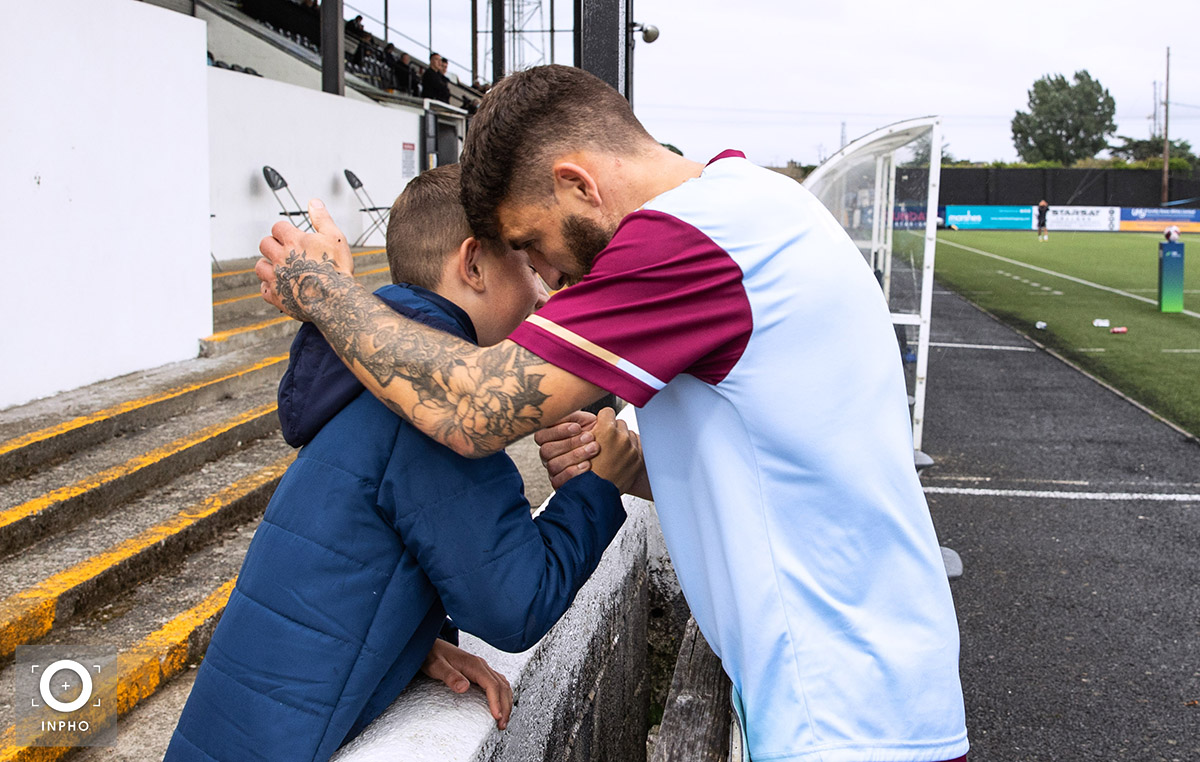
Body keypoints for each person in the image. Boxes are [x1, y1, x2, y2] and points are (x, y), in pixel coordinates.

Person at [256, 64, 969, 762]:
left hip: (844, 711)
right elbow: (789, 466)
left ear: (578, 185)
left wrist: (320, 290)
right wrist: (635, 469)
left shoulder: (689, 239)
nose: (547, 282)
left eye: (535, 244)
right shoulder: (746, 204)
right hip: (858, 687)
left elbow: (469, 407)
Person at [167, 164, 641, 762]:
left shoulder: (371, 376)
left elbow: (368, 548)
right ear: (472, 265)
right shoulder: (436, 412)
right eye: (526, 262)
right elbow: (515, 604)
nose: (545, 292)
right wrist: (598, 487)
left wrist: (412, 643)